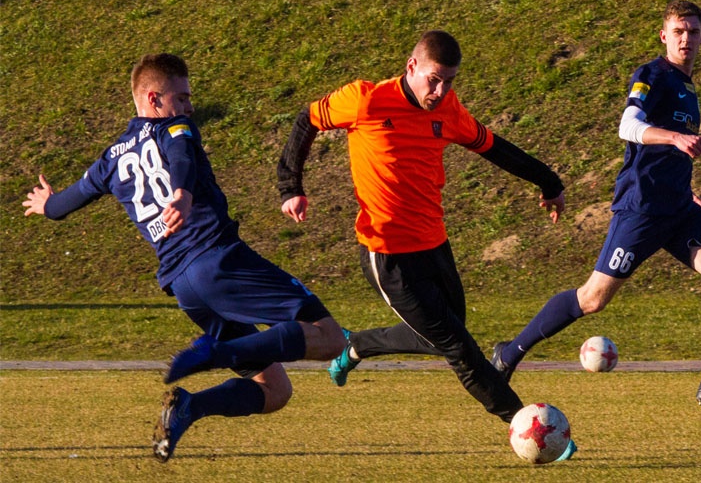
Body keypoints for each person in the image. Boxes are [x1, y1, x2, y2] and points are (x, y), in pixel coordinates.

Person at [23, 53, 347, 462]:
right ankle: (217, 353)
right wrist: (183, 192)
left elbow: (64, 205)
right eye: (182, 97)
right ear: (155, 99)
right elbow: (181, 157)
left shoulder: (110, 159)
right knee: (331, 337)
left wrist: (46, 204)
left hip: (185, 287)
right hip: (218, 260)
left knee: (275, 390)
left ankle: (190, 407)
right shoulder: (173, 127)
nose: (190, 106)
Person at [277, 30, 576, 458]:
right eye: (434, 79)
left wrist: (547, 180)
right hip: (388, 254)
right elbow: (306, 120)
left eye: (449, 81)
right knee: (460, 349)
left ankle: (356, 344)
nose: (440, 91)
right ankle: (529, 426)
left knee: (447, 336)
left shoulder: (448, 110)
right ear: (412, 67)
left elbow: (493, 147)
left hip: (434, 245)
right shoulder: (365, 100)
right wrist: (290, 186)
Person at [491, 0, 701, 411]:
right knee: (593, 298)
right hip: (642, 209)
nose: (687, 38)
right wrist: (674, 137)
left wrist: (685, 189)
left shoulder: (688, 88)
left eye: (694, 31)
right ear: (664, 36)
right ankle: (510, 353)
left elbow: (666, 157)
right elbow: (628, 126)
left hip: (679, 209)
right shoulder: (652, 75)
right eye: (679, 31)